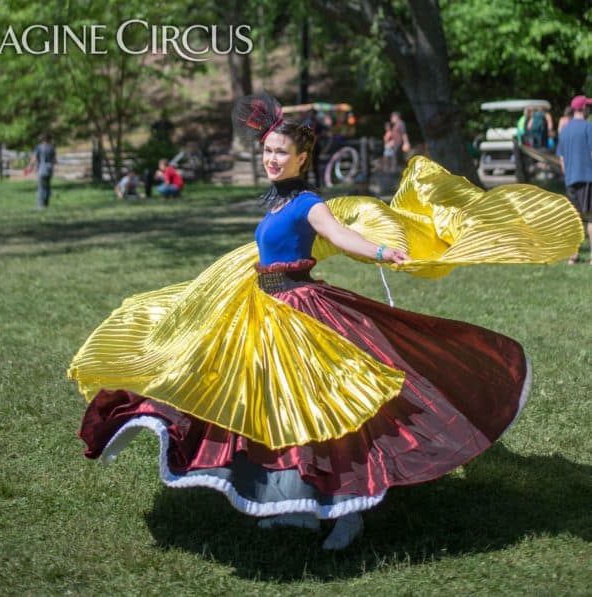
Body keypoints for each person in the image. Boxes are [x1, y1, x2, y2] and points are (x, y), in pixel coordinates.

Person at [68, 92, 582, 551]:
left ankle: (348, 514)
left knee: (328, 415)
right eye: (266, 151)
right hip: (263, 313)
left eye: (281, 153)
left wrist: (381, 249)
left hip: (302, 314)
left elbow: (338, 237)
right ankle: (290, 503)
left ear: (302, 157)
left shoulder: (309, 203)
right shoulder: (276, 203)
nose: (271, 159)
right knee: (274, 410)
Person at [556, 95, 592, 264]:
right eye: (588, 107)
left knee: (575, 218)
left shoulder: (565, 130)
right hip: (587, 178)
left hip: (570, 179)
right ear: (583, 109)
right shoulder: (588, 127)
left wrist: (568, 174)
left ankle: (573, 256)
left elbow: (561, 158)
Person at [27, 134, 56, 209]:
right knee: (47, 187)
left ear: (43, 140)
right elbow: (54, 160)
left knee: (41, 188)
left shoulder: (39, 147)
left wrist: (30, 167)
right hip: (49, 169)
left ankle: (40, 205)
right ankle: (46, 204)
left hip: (41, 169)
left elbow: (34, 158)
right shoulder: (52, 148)